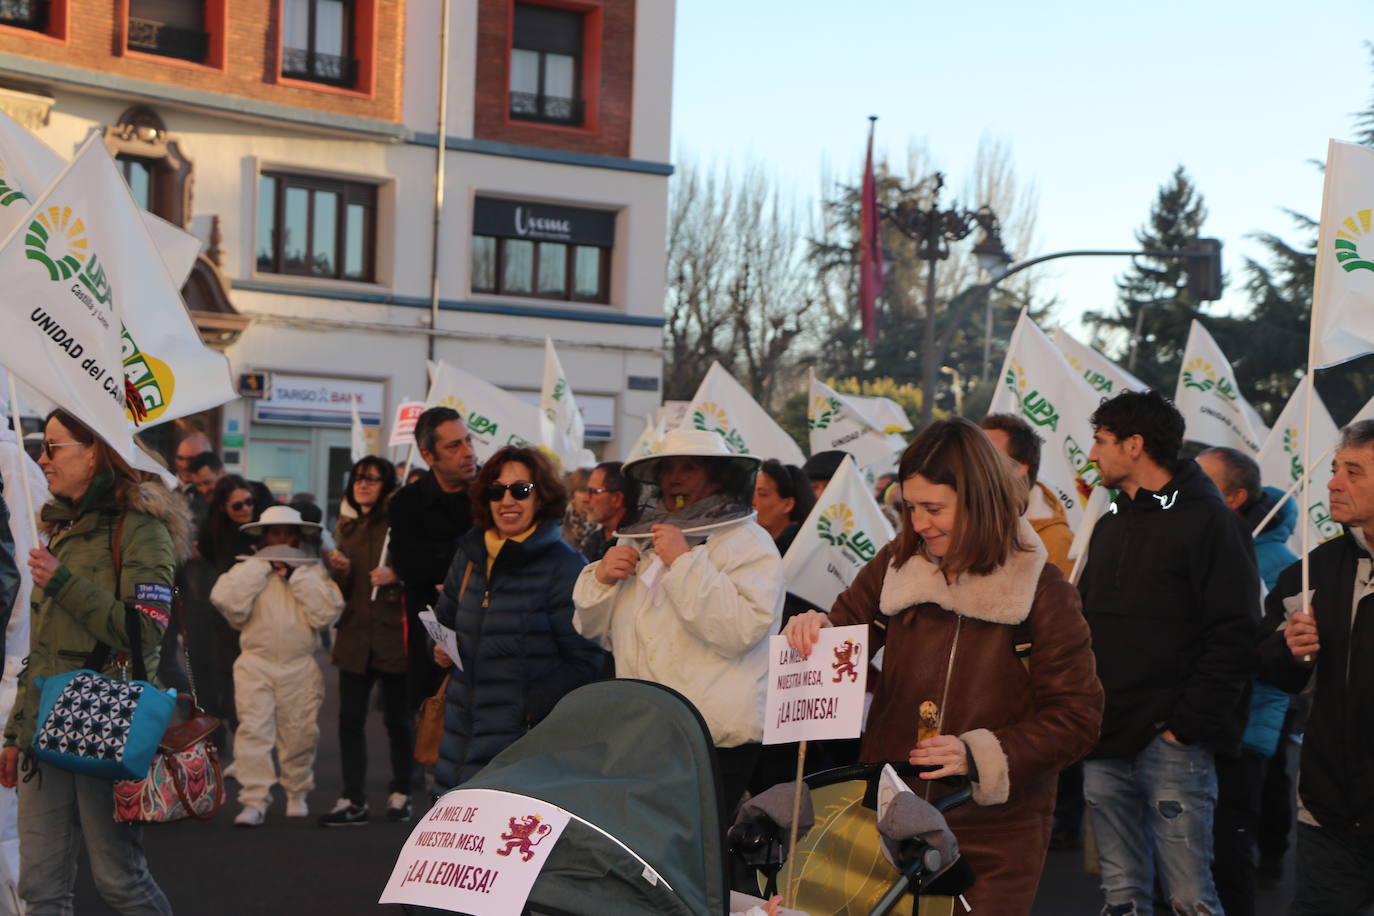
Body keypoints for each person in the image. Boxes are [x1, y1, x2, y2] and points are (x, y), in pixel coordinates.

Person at [784, 417, 1103, 912]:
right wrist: (813, 631)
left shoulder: (1043, 591)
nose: (918, 524)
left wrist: (980, 754)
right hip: (893, 818)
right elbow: (842, 637)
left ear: (980, 499)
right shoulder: (895, 565)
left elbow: (1078, 718)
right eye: (910, 508)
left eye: (934, 508)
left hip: (995, 833)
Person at [1078, 389, 1258, 916]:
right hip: (1106, 739)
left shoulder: (1210, 522)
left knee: (1188, 899)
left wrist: (1185, 727)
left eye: (1101, 440)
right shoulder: (1112, 521)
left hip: (1172, 746)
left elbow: (1235, 633)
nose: (1093, 453)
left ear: (1135, 445)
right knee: (1121, 898)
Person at [0, 408, 188, 914]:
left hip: (107, 724)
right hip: (45, 729)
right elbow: (42, 651)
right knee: (40, 888)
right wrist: (17, 736)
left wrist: (62, 581)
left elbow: (146, 630)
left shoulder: (141, 529)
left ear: (95, 451)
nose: (42, 459)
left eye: (54, 447)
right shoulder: (60, 526)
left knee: (120, 882)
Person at [574, 428, 784, 822]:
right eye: (667, 468)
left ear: (718, 477)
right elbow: (597, 632)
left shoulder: (749, 543)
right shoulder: (641, 538)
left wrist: (685, 563)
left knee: (692, 855)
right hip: (645, 731)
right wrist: (601, 579)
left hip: (713, 739)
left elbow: (740, 630)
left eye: (689, 467)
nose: (675, 477)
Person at [431, 446, 603, 789]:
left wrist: (525, 710)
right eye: (496, 491)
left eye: (520, 490)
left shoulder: (565, 566)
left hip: (521, 748)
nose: (507, 501)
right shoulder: (469, 556)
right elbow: (444, 621)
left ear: (541, 497)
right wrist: (438, 649)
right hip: (457, 737)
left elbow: (587, 660)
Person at [1258, 419, 1374, 915]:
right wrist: (1288, 650)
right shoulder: (1312, 569)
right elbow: (1268, 663)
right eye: (1334, 469)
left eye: (1354, 471)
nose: (1332, 482)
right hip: (1330, 812)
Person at [1196, 446, 1294, 916]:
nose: (1185, 487)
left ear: (1234, 497)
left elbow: (1271, 653)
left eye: (1202, 480)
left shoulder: (1278, 563)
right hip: (1210, 714)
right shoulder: (1211, 538)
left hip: (1246, 721)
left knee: (1229, 837)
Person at [211, 505, 344, 826]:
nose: (281, 539)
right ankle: (254, 799)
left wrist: (296, 576)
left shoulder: (312, 572)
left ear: (298, 538)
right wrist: (261, 568)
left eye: (287, 534)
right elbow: (225, 601)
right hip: (255, 663)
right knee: (253, 732)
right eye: (275, 533)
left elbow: (326, 614)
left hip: (299, 665)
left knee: (300, 733)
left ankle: (297, 791)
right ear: (263, 536)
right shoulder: (247, 569)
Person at [319, 457, 413, 826]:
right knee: (349, 720)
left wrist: (397, 574)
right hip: (356, 636)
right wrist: (338, 573)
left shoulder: (401, 527)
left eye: (372, 479)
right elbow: (343, 592)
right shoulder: (347, 527)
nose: (363, 485)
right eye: (358, 478)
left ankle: (402, 790)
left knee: (398, 720)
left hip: (393, 636)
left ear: (387, 485)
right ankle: (352, 797)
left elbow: (424, 569)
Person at [388, 407, 476, 710]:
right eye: (454, 446)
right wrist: (462, 564)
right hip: (430, 638)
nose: (468, 452)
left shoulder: (489, 497)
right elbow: (408, 566)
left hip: (484, 636)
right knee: (430, 730)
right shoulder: (406, 502)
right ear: (428, 456)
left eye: (469, 441)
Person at [980, 413, 1073, 576]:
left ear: (1020, 468)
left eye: (989, 456)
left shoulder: (1056, 540)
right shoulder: (961, 518)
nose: (975, 463)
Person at [752, 459, 815, 624]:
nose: (752, 501)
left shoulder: (801, 556)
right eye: (752, 492)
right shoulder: (750, 545)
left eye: (762, 494)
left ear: (787, 504)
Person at [580, 461, 640, 563]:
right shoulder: (594, 539)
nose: (585, 498)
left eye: (594, 492)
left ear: (616, 498)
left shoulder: (637, 542)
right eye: (587, 490)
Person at [561, 467, 596, 553]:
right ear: (572, 495)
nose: (588, 497)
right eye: (583, 490)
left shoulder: (602, 521)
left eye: (593, 491)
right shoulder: (559, 519)